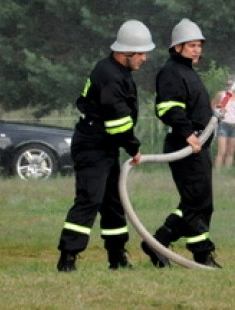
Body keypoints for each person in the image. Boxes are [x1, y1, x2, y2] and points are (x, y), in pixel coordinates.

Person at [56, 20, 155, 272]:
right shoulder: (108, 74)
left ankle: (116, 256)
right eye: (141, 53)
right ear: (126, 52)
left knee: (113, 202)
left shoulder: (118, 72)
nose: (144, 58)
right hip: (92, 144)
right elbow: (118, 121)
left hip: (105, 144)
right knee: (90, 198)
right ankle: (68, 257)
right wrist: (134, 149)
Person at [141, 18, 222, 269]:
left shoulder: (188, 73)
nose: (197, 50)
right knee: (197, 201)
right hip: (185, 145)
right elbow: (168, 107)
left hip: (197, 144)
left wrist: (213, 115)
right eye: (191, 45)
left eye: (199, 45)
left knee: (196, 200)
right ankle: (201, 254)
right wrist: (188, 134)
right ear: (177, 48)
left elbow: (191, 106)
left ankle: (158, 242)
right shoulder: (171, 73)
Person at [213, 76, 235, 169]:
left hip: (234, 126)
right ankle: (217, 172)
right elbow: (212, 105)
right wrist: (217, 111)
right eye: (227, 85)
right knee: (221, 151)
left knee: (230, 152)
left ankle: (227, 172)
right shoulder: (221, 95)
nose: (229, 87)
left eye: (231, 85)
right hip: (223, 124)